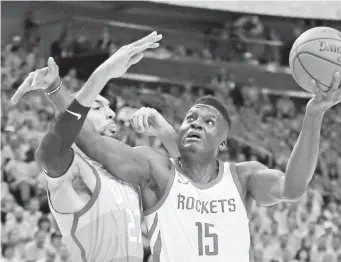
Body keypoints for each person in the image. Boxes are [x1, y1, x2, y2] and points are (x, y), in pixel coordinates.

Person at [13, 37, 341, 261]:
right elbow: (92, 142)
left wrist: (313, 116)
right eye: (190, 118)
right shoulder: (157, 169)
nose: (196, 123)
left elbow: (293, 188)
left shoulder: (243, 177)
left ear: (224, 142)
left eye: (208, 122)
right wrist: (57, 89)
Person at [11, 31, 170, 262]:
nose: (111, 113)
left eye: (109, 109)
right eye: (97, 107)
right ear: (76, 120)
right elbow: (49, 151)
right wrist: (101, 76)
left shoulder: (125, 175)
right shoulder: (72, 172)